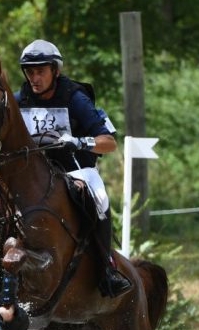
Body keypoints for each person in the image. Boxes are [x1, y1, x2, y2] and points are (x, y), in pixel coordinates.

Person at [13, 39, 132, 298]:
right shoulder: (20, 100)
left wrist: (80, 141)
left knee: (99, 198)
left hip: (75, 170)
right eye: (30, 71)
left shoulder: (76, 98)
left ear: (55, 70)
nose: (34, 77)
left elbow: (109, 142)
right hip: (34, 176)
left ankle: (106, 268)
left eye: (40, 71)